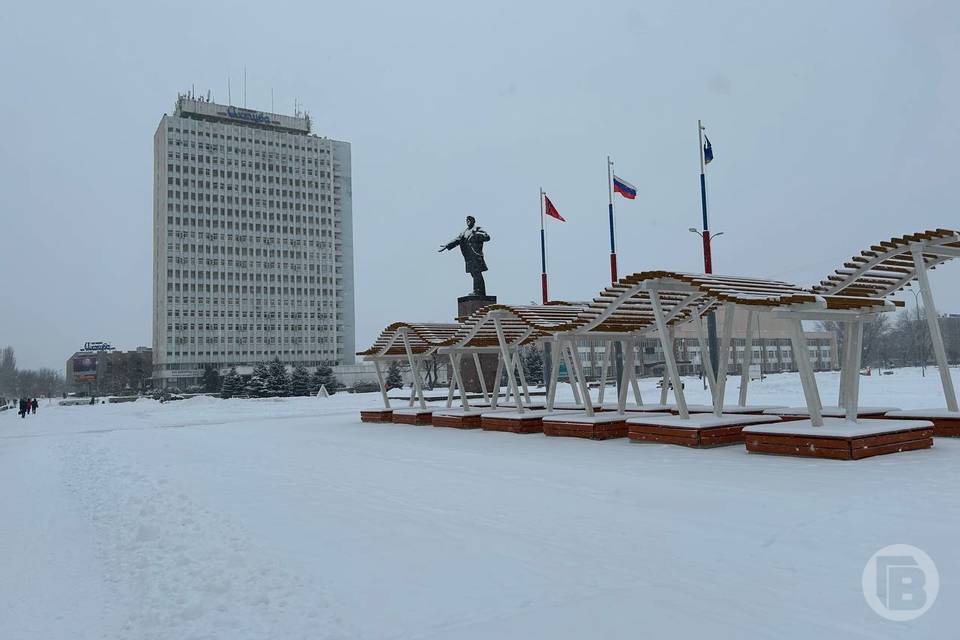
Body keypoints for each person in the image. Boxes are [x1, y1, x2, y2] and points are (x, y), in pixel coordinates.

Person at [439, 215, 492, 296]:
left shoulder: (477, 229)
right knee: (473, 274)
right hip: (469, 257)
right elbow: (457, 240)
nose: (468, 222)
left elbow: (487, 237)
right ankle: (478, 291)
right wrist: (447, 245)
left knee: (477, 273)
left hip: (476, 255)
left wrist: (476, 234)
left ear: (473, 221)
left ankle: (479, 291)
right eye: (466, 221)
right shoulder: (465, 232)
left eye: (469, 220)